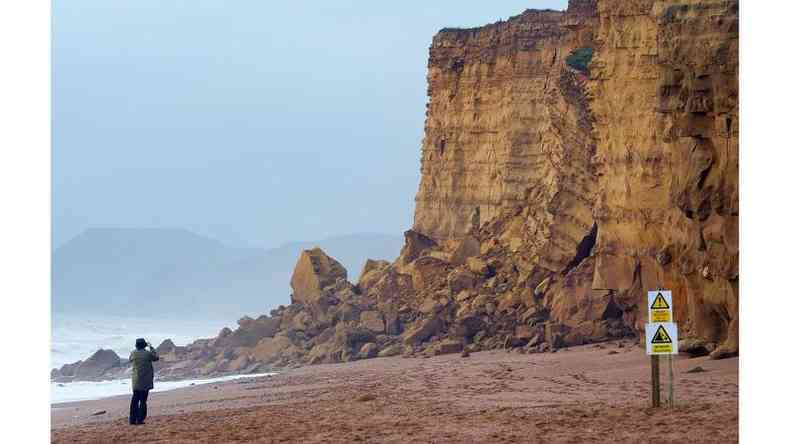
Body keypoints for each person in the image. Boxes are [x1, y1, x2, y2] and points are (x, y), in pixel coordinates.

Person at [129, 338, 159, 425]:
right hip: (145, 381)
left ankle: (132, 420)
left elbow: (130, 359)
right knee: (143, 401)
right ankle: (140, 419)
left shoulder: (133, 353)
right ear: (144, 345)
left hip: (136, 381)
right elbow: (156, 358)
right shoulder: (148, 354)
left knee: (134, 400)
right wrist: (151, 347)